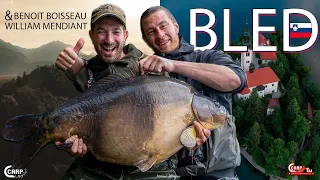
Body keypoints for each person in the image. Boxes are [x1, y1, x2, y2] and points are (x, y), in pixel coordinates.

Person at [54, 3, 207, 180]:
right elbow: (80, 122)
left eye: (116, 32)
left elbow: (175, 130)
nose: (109, 39)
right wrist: (69, 141)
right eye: (102, 31)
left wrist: (190, 139)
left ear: (125, 35)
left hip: (150, 167)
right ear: (92, 36)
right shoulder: (86, 69)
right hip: (97, 163)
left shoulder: (150, 68)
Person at [139, 6, 247, 180]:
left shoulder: (209, 58)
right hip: (167, 173)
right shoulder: (145, 75)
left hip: (218, 174)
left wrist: (173, 65)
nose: (159, 35)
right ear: (145, 39)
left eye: (163, 26)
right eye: (151, 31)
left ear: (176, 25)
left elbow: (236, 80)